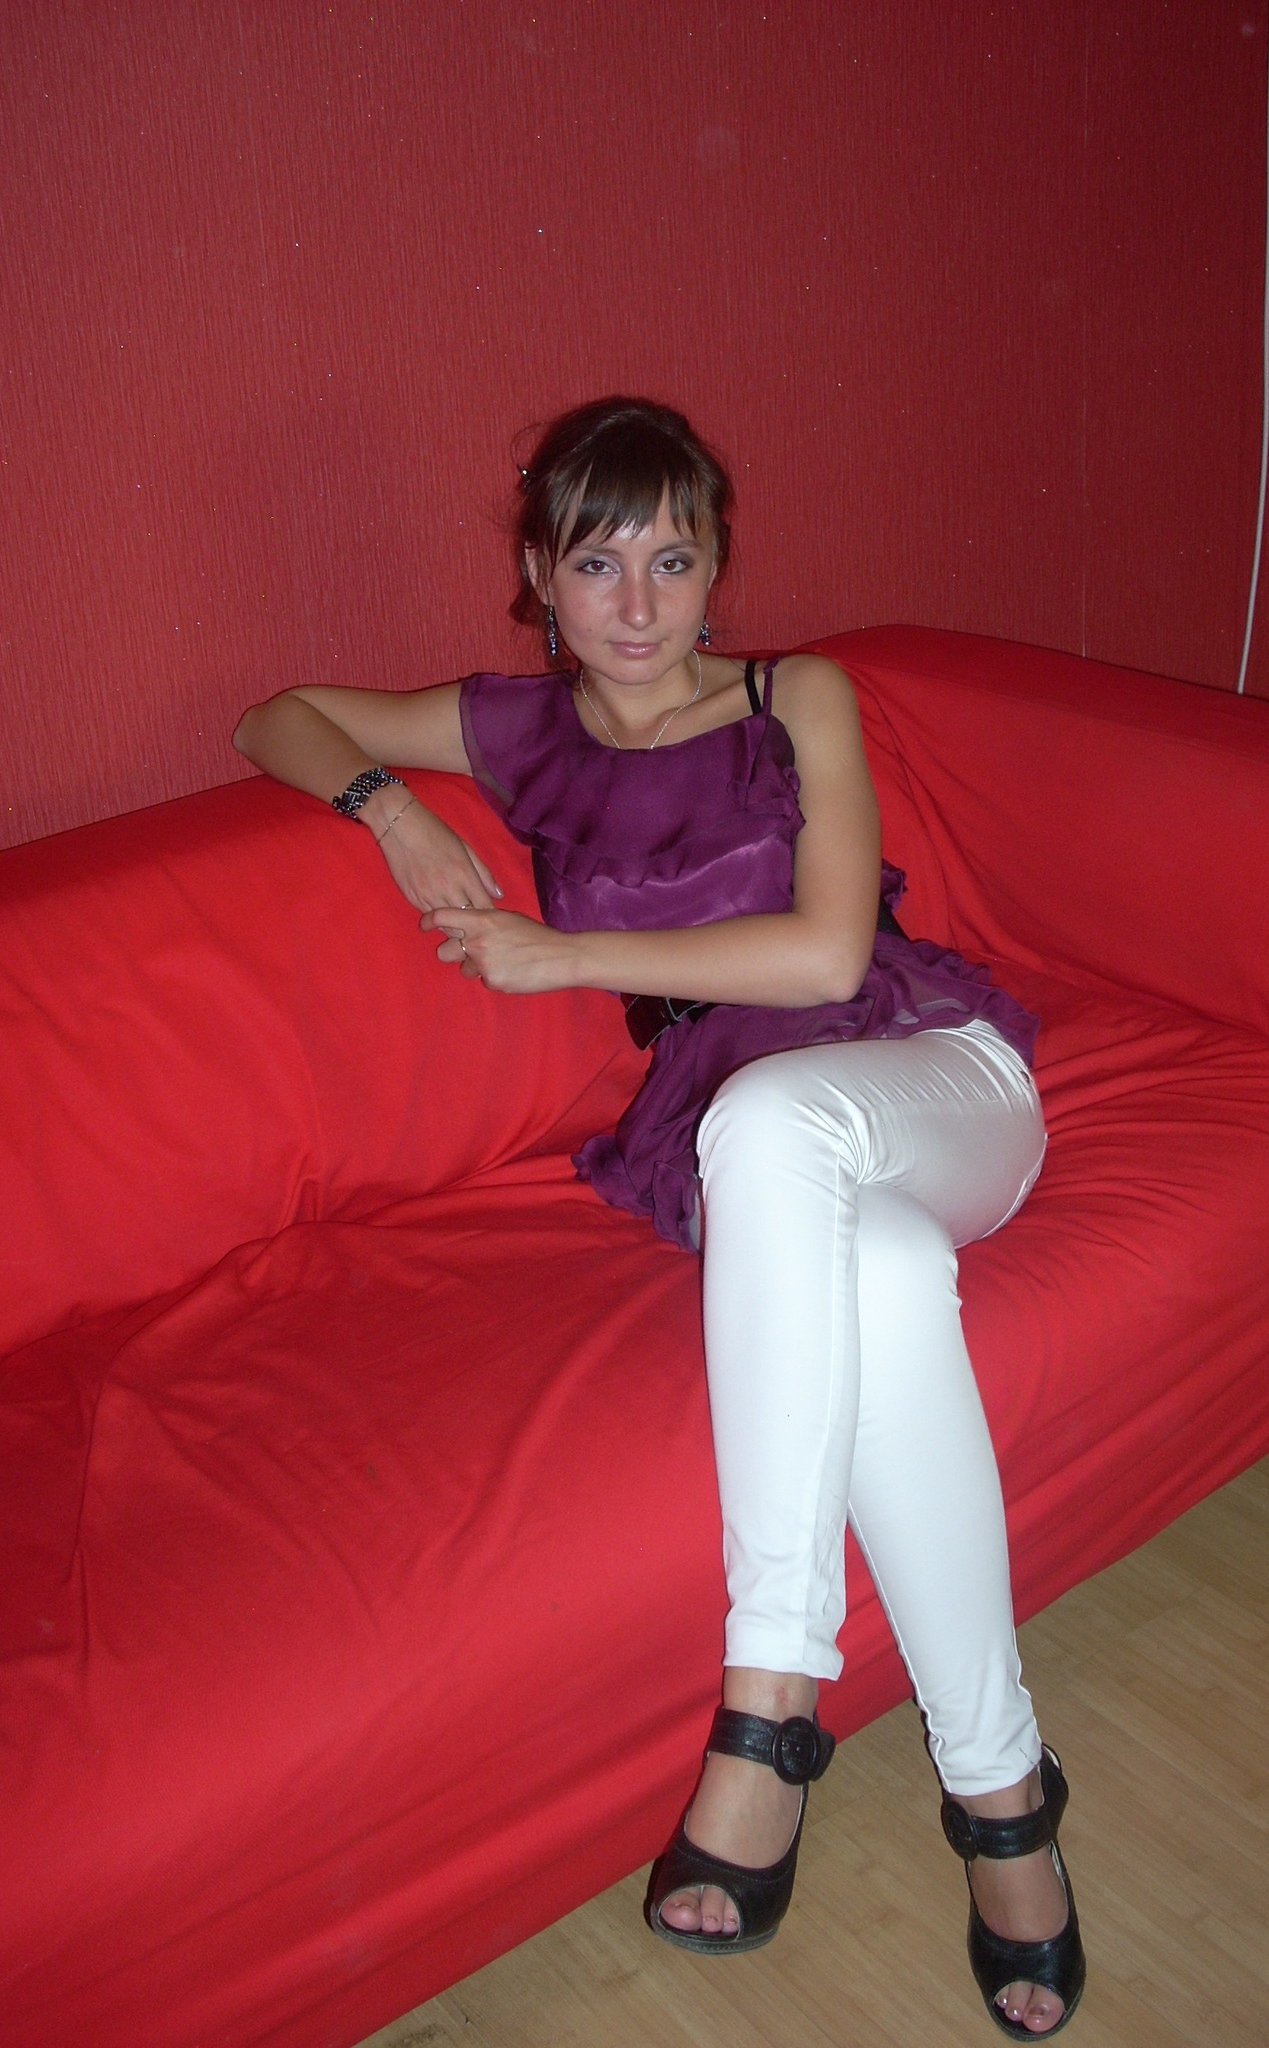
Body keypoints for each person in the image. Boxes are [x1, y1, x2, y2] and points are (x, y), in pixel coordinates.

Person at [232, 396, 1086, 2039]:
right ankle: (1005, 1799)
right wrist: (394, 813)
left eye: (674, 561)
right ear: (540, 580)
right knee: (883, 1283)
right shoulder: (515, 732)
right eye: (597, 564)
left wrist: (564, 958)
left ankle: (769, 1707)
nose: (638, 605)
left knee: (777, 1122)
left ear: (717, 571)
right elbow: (279, 715)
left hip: (929, 1081)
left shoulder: (793, 699)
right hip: (770, 1162)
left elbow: (828, 958)